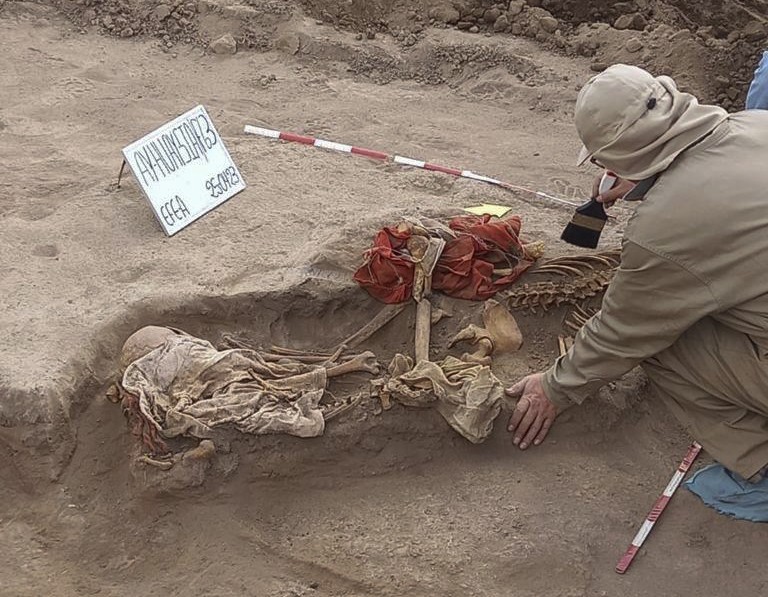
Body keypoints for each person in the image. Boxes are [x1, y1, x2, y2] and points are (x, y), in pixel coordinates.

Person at [506, 63, 768, 482]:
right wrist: (651, 174)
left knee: (662, 341)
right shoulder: (757, 124)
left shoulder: (666, 228)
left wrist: (554, 388)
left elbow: (623, 332)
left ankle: (761, 458)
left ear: (619, 153)